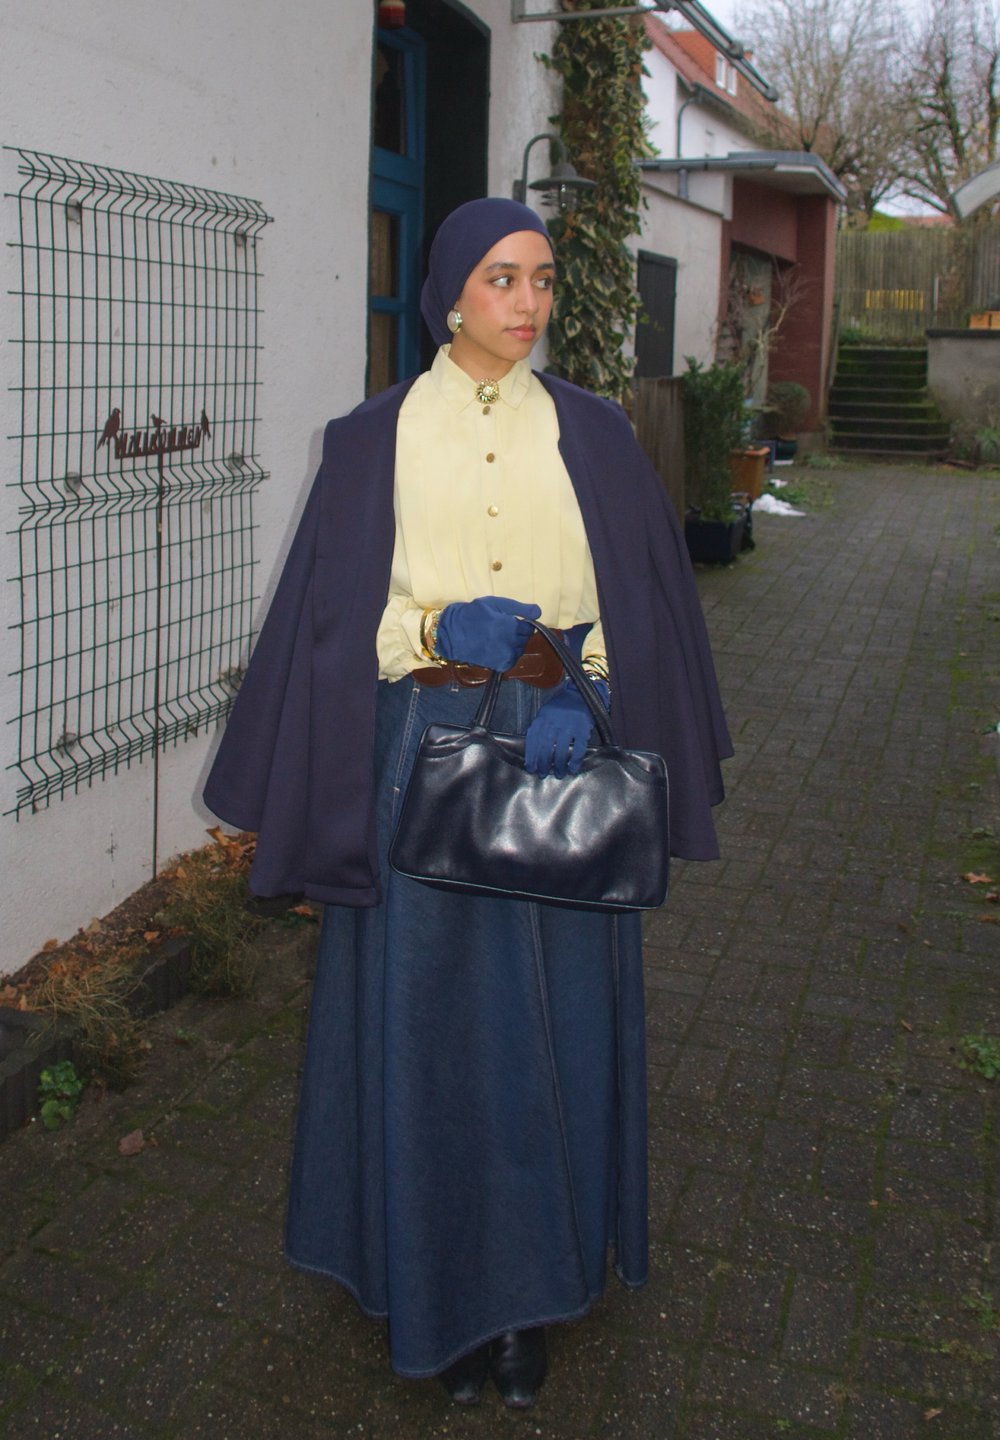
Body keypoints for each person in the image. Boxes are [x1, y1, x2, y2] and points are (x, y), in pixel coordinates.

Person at [203, 197, 731, 1408]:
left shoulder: (594, 436)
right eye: (505, 279)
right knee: (426, 1023)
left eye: (543, 280)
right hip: (418, 749)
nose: (530, 303)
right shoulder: (369, 440)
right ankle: (418, 1273)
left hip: (557, 752)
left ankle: (528, 1292)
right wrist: (438, 626)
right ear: (452, 291)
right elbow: (336, 621)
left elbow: (636, 602)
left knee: (550, 1023)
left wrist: (580, 684)